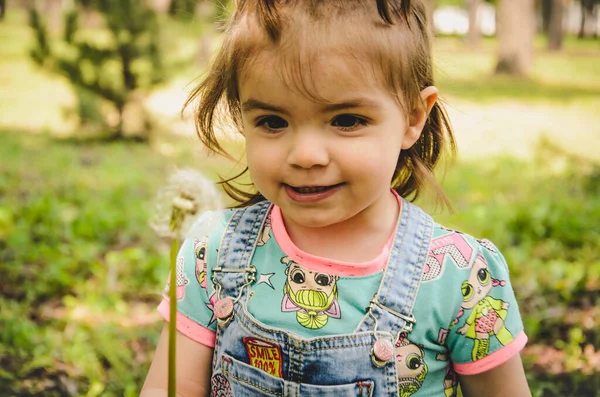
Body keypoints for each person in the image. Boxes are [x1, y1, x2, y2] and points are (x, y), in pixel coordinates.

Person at [141, 1, 531, 396]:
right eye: (273, 122)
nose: (306, 155)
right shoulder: (214, 253)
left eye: (346, 120)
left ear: (413, 118)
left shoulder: (458, 278)